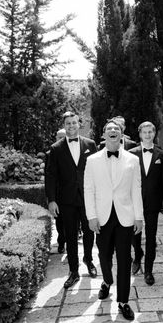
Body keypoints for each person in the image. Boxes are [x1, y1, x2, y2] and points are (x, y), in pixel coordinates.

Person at [84, 119, 143, 321]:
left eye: (116, 129)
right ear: (103, 134)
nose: (112, 130)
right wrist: (91, 216)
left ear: (121, 134)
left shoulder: (132, 160)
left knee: (125, 259)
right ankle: (107, 281)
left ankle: (123, 301)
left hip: (125, 217)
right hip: (101, 217)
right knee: (104, 256)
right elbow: (88, 189)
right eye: (108, 128)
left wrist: (139, 217)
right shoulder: (92, 160)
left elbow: (136, 189)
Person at [45, 111, 98, 289]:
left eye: (74, 123)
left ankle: (89, 260)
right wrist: (52, 200)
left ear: (79, 124)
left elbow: (98, 172)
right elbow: (50, 176)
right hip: (66, 200)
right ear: (64, 126)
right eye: (68, 123)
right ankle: (73, 271)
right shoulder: (56, 148)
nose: (71, 126)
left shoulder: (91, 144)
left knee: (90, 232)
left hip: (88, 198)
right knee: (70, 235)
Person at [129, 121, 163, 285]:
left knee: (151, 236)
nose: (148, 135)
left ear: (154, 134)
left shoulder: (162, 155)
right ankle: (138, 253)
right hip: (134, 202)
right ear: (140, 134)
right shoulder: (131, 154)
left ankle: (148, 271)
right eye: (145, 132)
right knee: (134, 234)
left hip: (153, 202)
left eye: (150, 132)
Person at [45, 128, 66, 254]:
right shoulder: (50, 153)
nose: (62, 139)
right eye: (59, 137)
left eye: (64, 136)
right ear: (56, 138)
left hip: (74, 193)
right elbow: (48, 176)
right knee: (60, 220)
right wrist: (50, 197)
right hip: (58, 194)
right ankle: (62, 241)